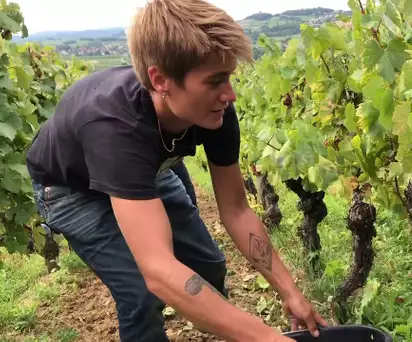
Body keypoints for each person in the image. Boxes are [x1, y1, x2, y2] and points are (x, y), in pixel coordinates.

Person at [25, 0, 327, 341]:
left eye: (229, 77)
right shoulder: (114, 126)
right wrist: (266, 337)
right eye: (215, 81)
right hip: (71, 190)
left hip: (146, 168)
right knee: (142, 292)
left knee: (208, 263)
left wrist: (290, 291)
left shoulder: (217, 111)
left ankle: (216, 322)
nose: (230, 95)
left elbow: (236, 210)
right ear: (160, 79)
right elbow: (158, 269)